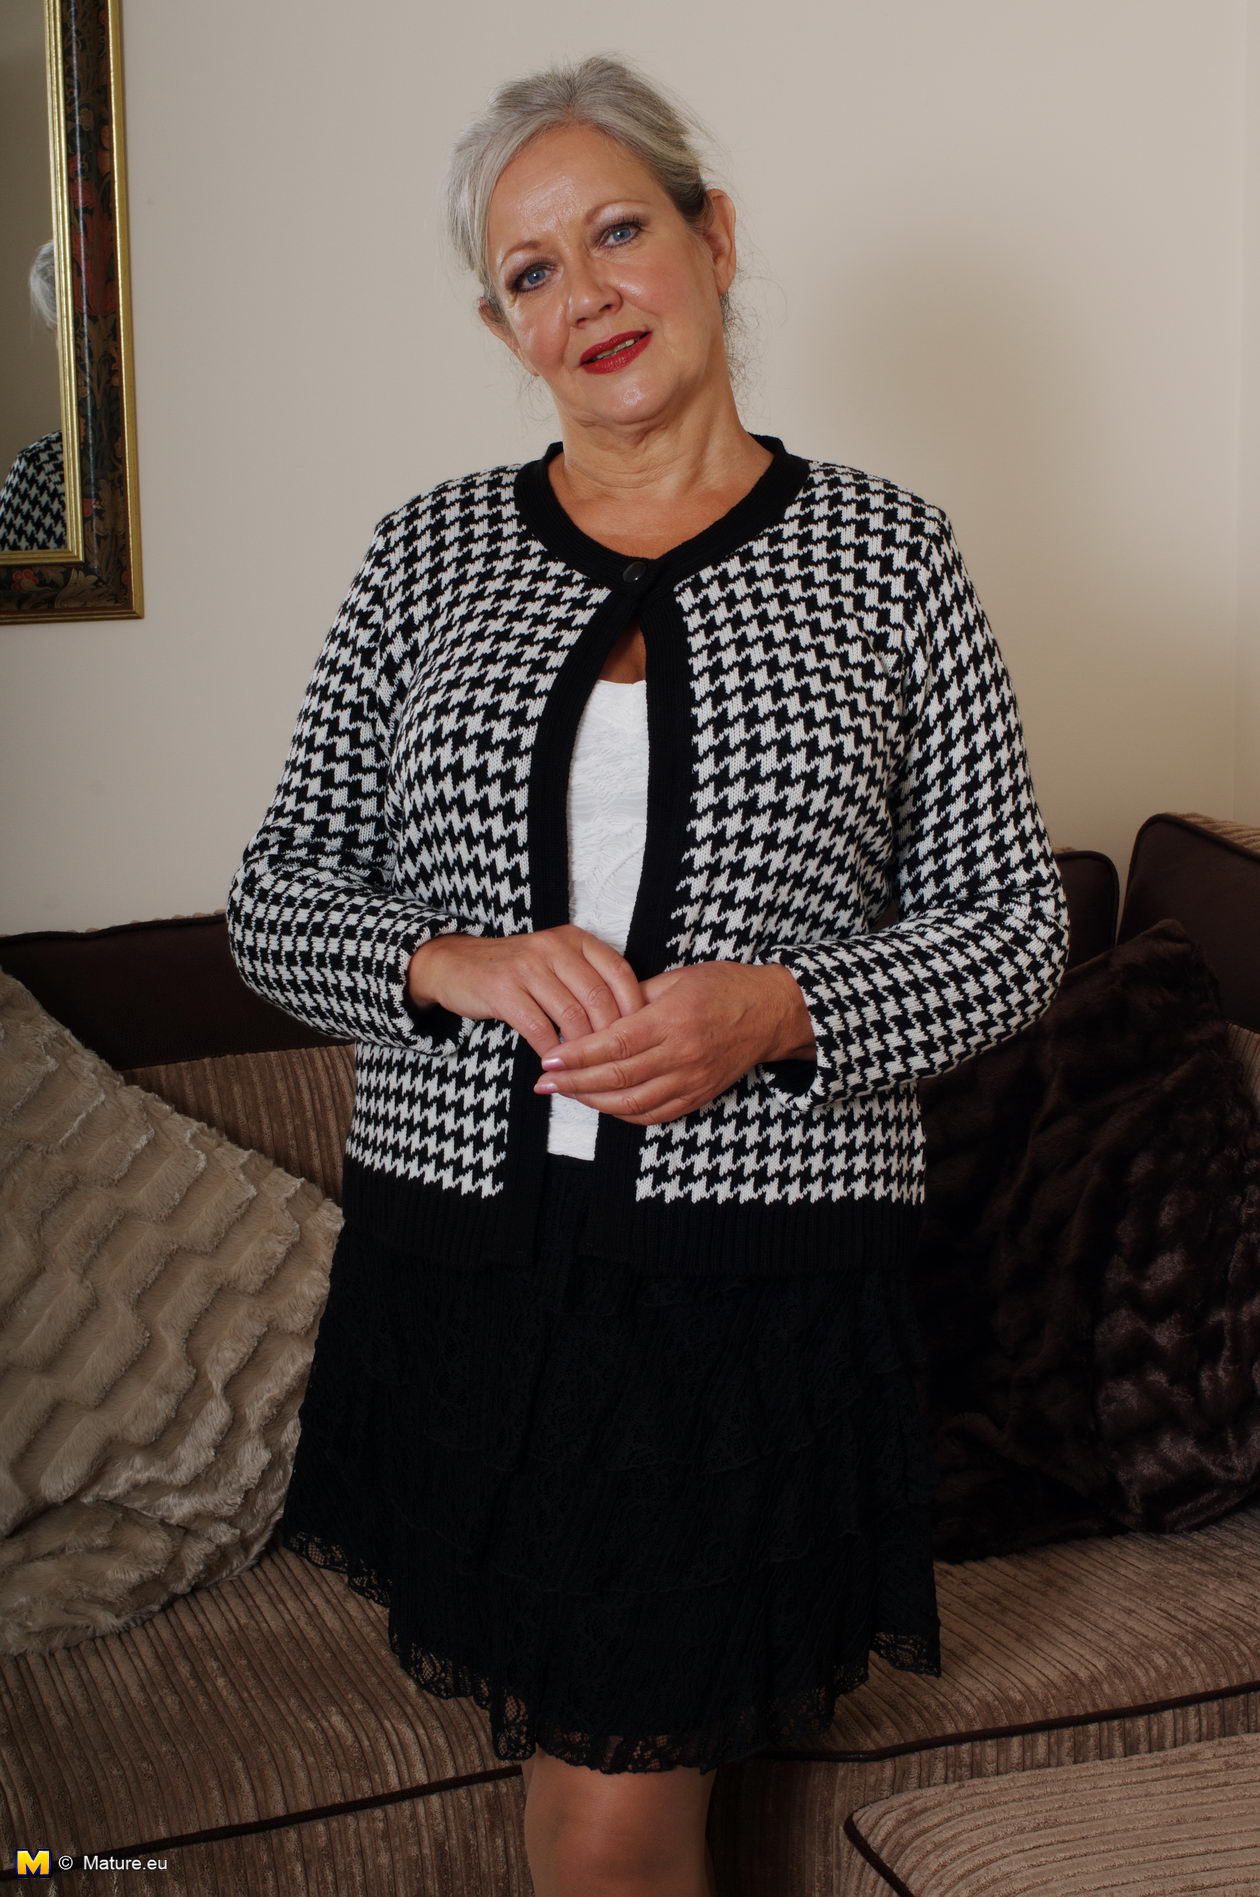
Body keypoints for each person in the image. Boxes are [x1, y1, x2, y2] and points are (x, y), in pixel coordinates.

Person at [225, 51, 1070, 1897]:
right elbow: (271, 898)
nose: (588, 292)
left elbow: (1016, 921)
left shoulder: (886, 556)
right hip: (469, 1277)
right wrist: (448, 961)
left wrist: (785, 1008)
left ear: (714, 236)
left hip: (736, 1295)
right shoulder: (427, 556)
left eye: (620, 231)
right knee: (584, 1786)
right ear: (501, 325)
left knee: (611, 1808)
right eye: (533, 270)